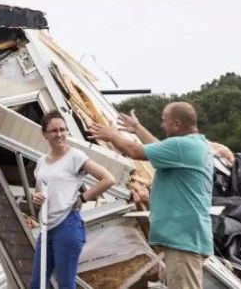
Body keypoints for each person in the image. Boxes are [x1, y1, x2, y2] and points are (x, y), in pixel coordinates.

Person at [87, 102, 213, 289]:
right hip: (185, 239)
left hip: (184, 241)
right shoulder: (191, 145)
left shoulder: (183, 146)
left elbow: (134, 151)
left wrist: (113, 135)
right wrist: (137, 128)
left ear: (176, 124)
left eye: (164, 121)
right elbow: (159, 147)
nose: (162, 125)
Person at [31, 111, 115, 289]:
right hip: (46, 228)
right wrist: (36, 198)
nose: (59, 134)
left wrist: (83, 197)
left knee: (65, 285)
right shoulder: (41, 163)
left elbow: (108, 179)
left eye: (63, 129)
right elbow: (41, 194)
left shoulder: (75, 156)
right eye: (54, 130)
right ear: (45, 134)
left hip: (67, 226)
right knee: (37, 284)